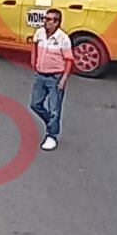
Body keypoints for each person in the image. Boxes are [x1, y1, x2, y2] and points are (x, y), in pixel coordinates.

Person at [28, 9, 74, 151]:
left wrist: (64, 79)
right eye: (45, 19)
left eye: (49, 19)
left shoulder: (63, 39)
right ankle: (52, 123)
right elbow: (34, 44)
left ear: (57, 22)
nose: (46, 22)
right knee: (35, 104)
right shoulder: (40, 33)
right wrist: (33, 60)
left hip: (55, 77)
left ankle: (52, 135)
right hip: (40, 75)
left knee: (55, 109)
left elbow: (69, 60)